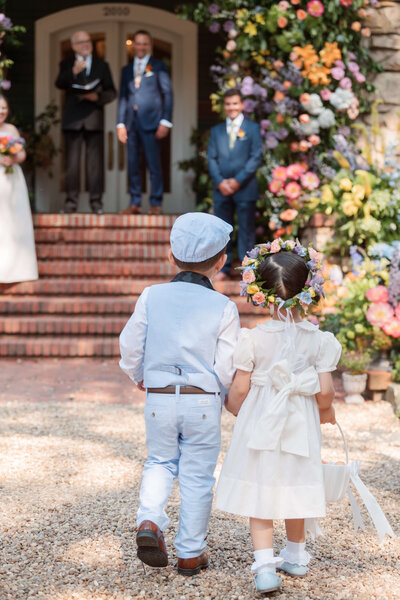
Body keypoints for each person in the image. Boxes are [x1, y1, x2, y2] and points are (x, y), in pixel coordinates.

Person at [215, 239, 342, 595]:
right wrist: (325, 412)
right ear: (308, 290)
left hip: (262, 418)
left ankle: (264, 566)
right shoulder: (320, 340)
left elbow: (240, 389)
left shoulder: (252, 339)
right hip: (299, 417)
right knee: (296, 481)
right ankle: (297, 555)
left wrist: (236, 409)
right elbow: (326, 392)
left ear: (262, 294)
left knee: (261, 487)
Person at [119, 212, 240, 575]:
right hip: (202, 400)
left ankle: (150, 521)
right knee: (198, 476)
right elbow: (227, 365)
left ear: (171, 257)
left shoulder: (151, 296)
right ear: (220, 262)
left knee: (159, 461)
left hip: (158, 396)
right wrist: (217, 392)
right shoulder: (224, 306)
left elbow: (130, 345)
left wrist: (140, 375)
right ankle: (190, 552)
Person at [55, 30, 116, 214]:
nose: (85, 44)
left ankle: (96, 204)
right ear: (73, 46)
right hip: (73, 120)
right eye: (81, 42)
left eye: (88, 41)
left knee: (94, 165)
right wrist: (73, 72)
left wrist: (96, 97)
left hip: (93, 119)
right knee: (72, 164)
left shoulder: (101, 65)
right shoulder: (66, 64)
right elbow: (59, 83)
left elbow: (112, 92)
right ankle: (71, 203)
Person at [207, 88, 263, 281]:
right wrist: (221, 181)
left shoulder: (252, 129)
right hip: (221, 189)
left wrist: (237, 181)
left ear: (242, 105)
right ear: (224, 106)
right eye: (228, 104)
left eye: (235, 103)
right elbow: (211, 158)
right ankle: (222, 269)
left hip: (245, 188)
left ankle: (247, 270)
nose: (232, 107)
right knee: (222, 231)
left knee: (246, 230)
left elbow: (256, 157)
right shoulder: (216, 131)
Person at [117, 30, 173, 215]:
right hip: (131, 124)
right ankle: (135, 203)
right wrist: (120, 124)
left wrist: (166, 121)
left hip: (152, 123)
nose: (141, 47)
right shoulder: (126, 70)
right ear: (133, 45)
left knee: (154, 165)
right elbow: (123, 98)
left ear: (150, 45)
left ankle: (155, 203)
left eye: (144, 44)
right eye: (138, 43)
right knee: (133, 164)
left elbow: (167, 93)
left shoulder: (158, 66)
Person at [0, 94, 38, 283]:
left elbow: (22, 154)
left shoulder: (12, 129)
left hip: (12, 178)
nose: (1, 111)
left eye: (4, 108)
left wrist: (13, 158)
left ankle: (16, 268)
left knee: (14, 219)